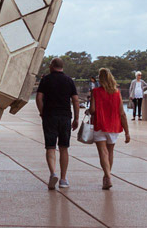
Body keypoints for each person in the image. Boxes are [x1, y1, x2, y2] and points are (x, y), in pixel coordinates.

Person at [35, 57, 81, 190]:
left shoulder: (46, 80)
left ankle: (53, 173)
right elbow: (75, 100)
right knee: (64, 147)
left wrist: (42, 112)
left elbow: (39, 98)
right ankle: (63, 179)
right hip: (65, 116)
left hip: (50, 116)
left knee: (50, 147)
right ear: (62, 67)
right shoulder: (69, 80)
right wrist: (76, 118)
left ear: (51, 66)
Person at [91, 67, 131, 190]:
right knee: (110, 152)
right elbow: (122, 113)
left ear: (100, 79)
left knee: (103, 152)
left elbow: (92, 110)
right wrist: (127, 132)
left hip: (100, 124)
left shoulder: (95, 92)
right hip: (114, 125)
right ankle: (107, 176)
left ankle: (107, 176)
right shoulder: (117, 93)